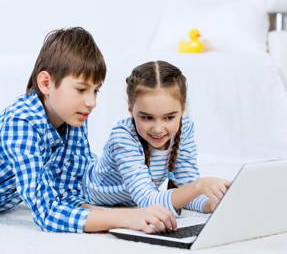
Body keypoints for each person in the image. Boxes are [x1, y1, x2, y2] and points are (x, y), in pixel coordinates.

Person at [0, 28, 177, 234]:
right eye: (81, 89)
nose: (92, 102)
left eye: (95, 91)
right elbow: (48, 213)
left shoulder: (72, 119)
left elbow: (72, 191)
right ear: (46, 83)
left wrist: (146, 206)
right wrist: (126, 218)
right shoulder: (21, 125)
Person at [83, 60, 230, 216]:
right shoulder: (123, 137)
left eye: (169, 117)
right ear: (131, 109)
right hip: (89, 192)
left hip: (132, 199)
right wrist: (199, 186)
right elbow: (148, 201)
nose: (158, 129)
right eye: (147, 118)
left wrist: (209, 204)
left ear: (182, 109)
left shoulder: (184, 127)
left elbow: (186, 187)